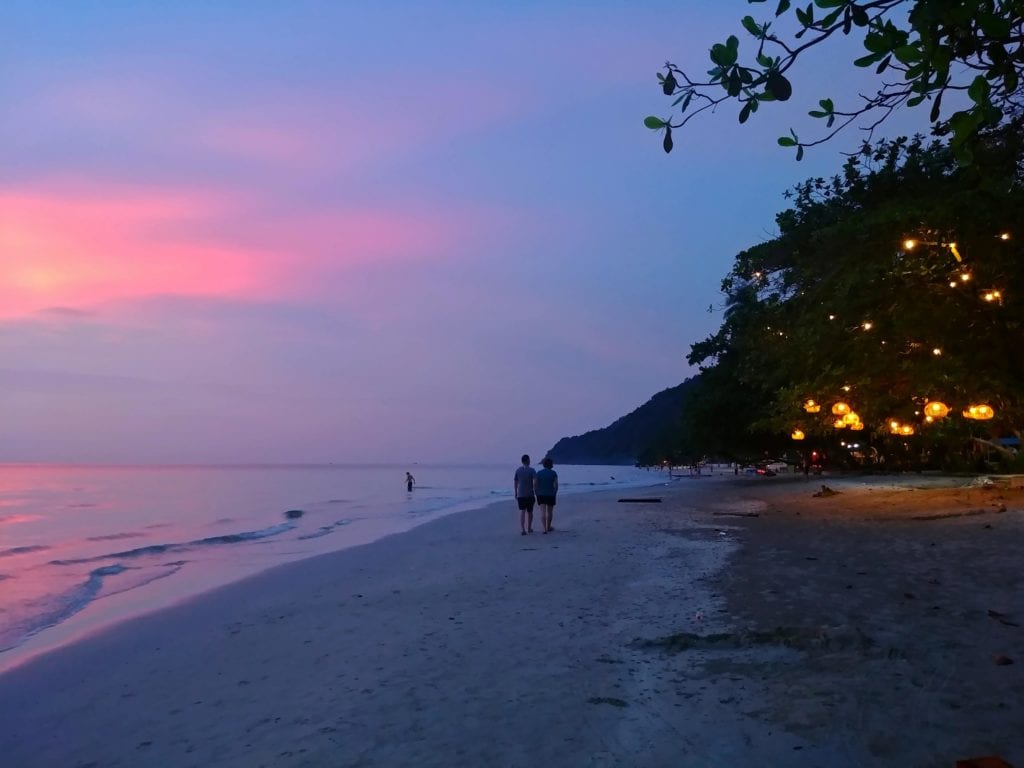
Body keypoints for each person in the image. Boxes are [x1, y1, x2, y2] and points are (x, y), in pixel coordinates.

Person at [513, 454, 536, 535]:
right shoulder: (532, 470)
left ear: (522, 461)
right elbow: (534, 482)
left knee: (522, 511)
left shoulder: (518, 470)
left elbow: (515, 482)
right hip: (530, 494)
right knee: (530, 512)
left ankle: (523, 529)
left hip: (521, 494)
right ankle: (529, 528)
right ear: (528, 461)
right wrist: (535, 490)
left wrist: (515, 492)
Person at [534, 457, 558, 533]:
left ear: (543, 464)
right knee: (550, 512)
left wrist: (536, 492)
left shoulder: (539, 473)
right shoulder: (553, 473)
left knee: (543, 512)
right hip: (551, 494)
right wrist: (555, 492)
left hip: (541, 494)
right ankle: (548, 527)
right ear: (551, 465)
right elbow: (556, 485)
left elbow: (535, 484)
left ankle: (545, 529)